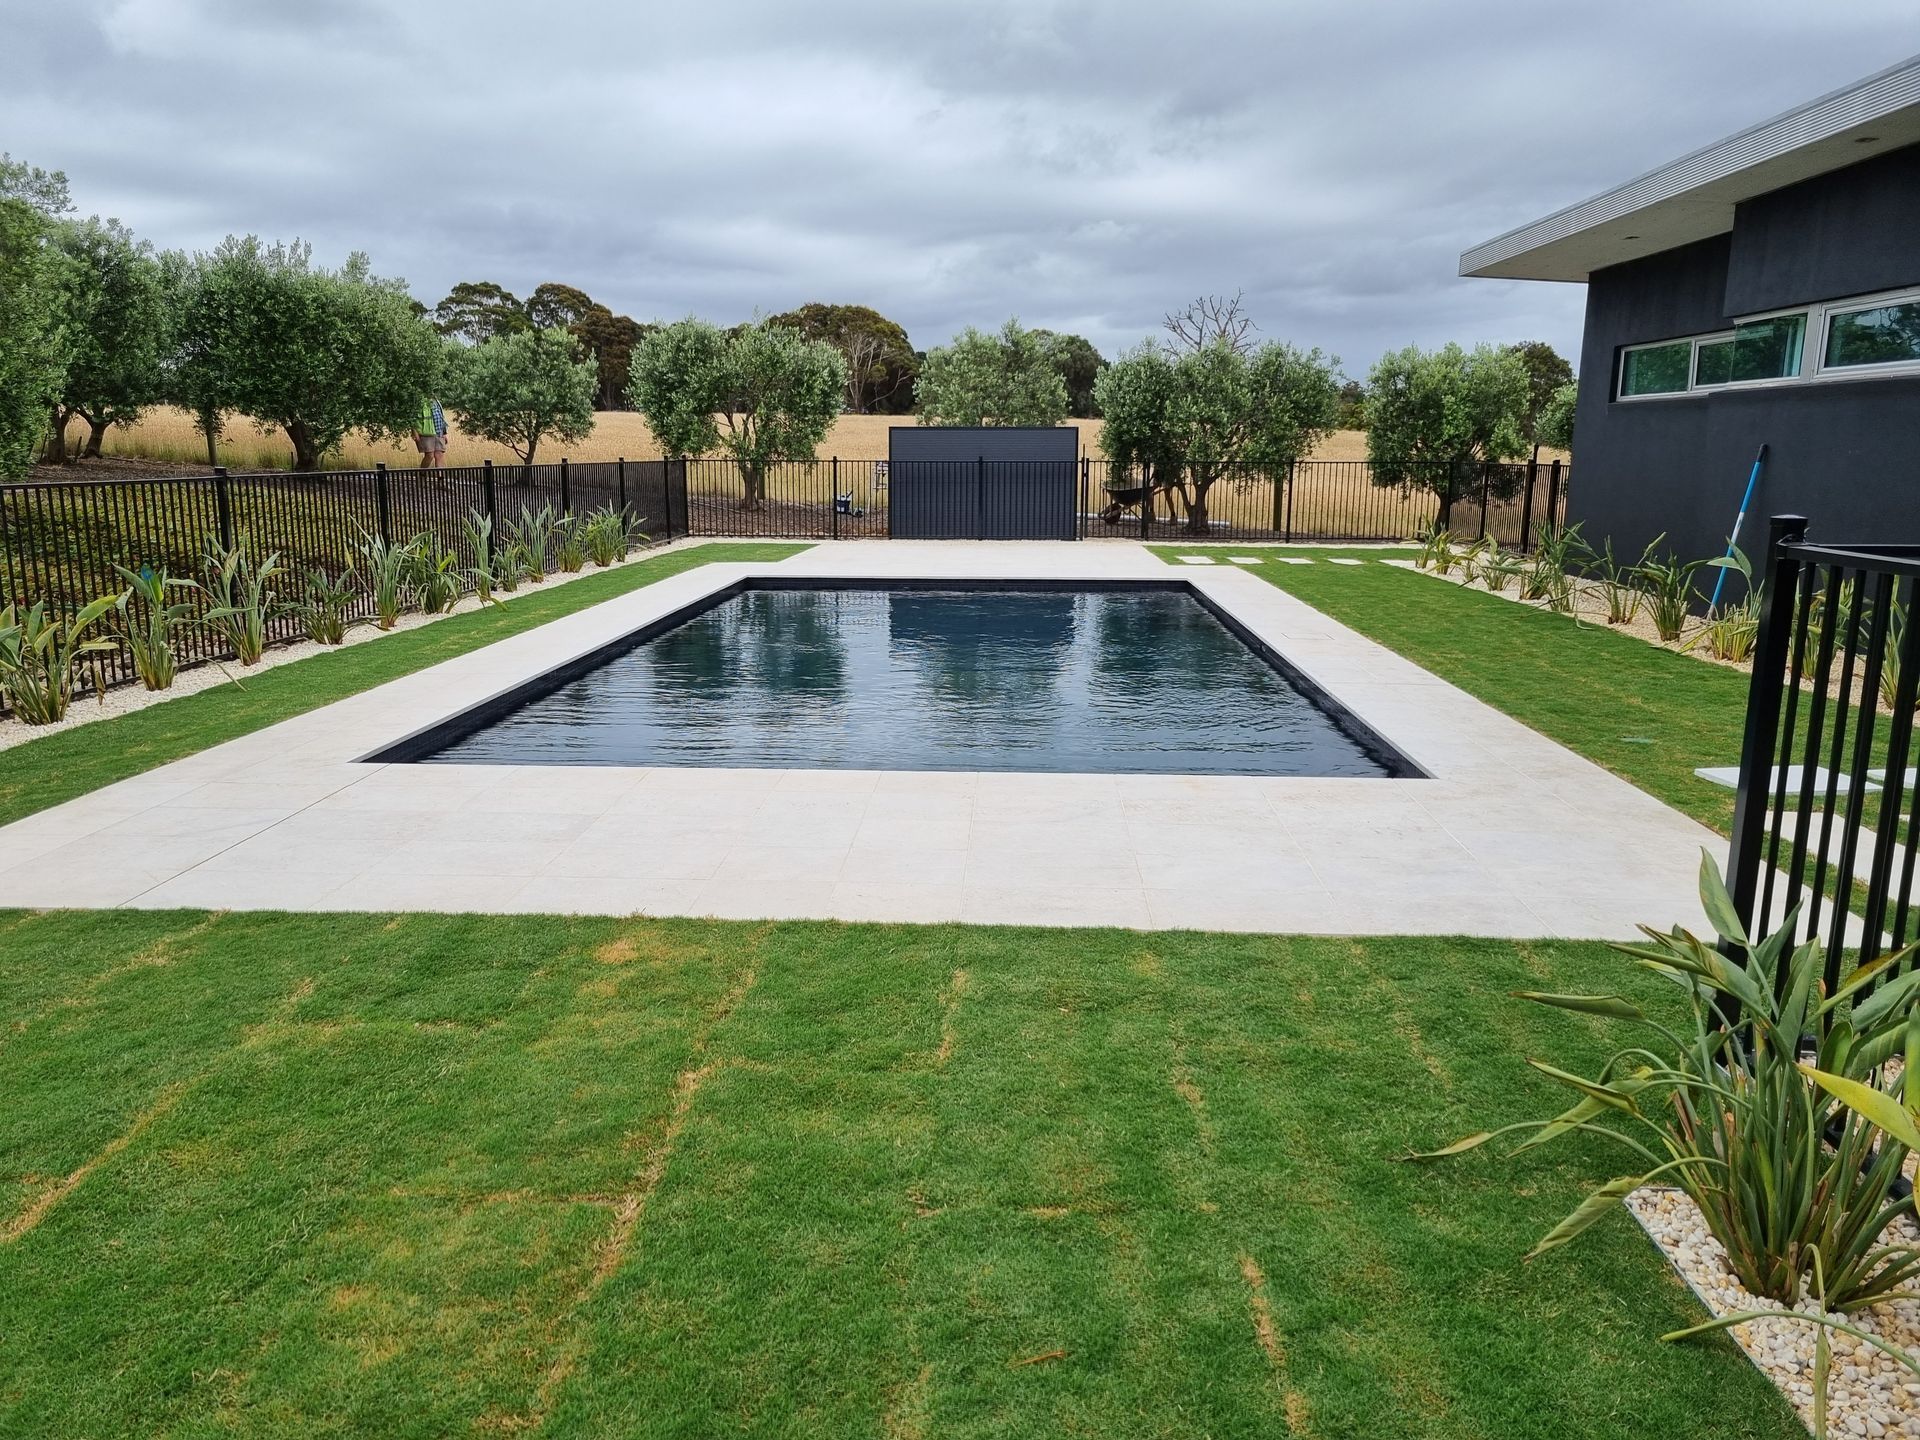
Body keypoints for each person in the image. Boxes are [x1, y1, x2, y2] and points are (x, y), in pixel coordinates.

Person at [414, 396, 448, 470]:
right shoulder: (420, 401)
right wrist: (415, 432)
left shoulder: (436, 400)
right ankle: (421, 474)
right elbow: (413, 418)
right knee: (429, 455)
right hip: (426, 433)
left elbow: (441, 416)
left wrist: (444, 432)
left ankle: (440, 477)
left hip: (439, 432)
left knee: (439, 455)